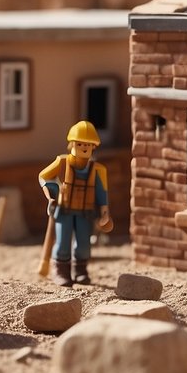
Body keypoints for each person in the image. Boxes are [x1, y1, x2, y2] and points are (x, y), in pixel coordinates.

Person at [39, 120, 111, 286]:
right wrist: (53, 193)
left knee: (84, 244)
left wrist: (105, 212)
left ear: (94, 146)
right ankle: (61, 271)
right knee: (63, 242)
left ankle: (81, 271)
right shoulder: (63, 162)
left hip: (85, 212)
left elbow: (102, 193)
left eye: (88, 144)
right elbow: (43, 176)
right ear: (72, 144)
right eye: (80, 143)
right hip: (64, 211)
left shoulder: (98, 169)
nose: (84, 147)